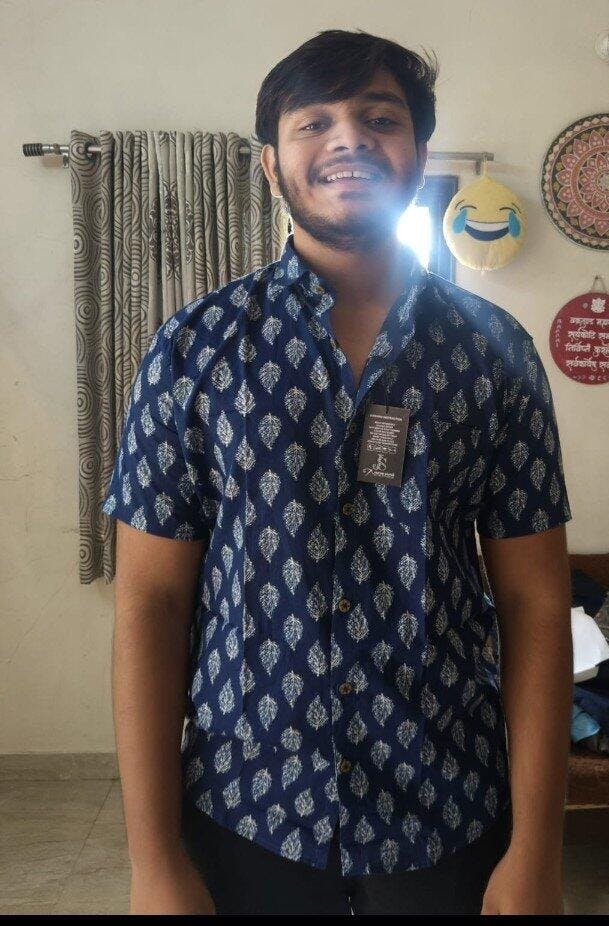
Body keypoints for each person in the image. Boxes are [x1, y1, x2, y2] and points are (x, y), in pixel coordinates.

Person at [102, 28, 574, 915]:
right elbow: (150, 603)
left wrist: (536, 856)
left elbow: (535, 604)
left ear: (418, 153)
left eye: (378, 118)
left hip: (448, 806)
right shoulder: (195, 349)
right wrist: (153, 862)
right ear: (271, 167)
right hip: (244, 811)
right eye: (312, 123)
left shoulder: (494, 353)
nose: (348, 139)